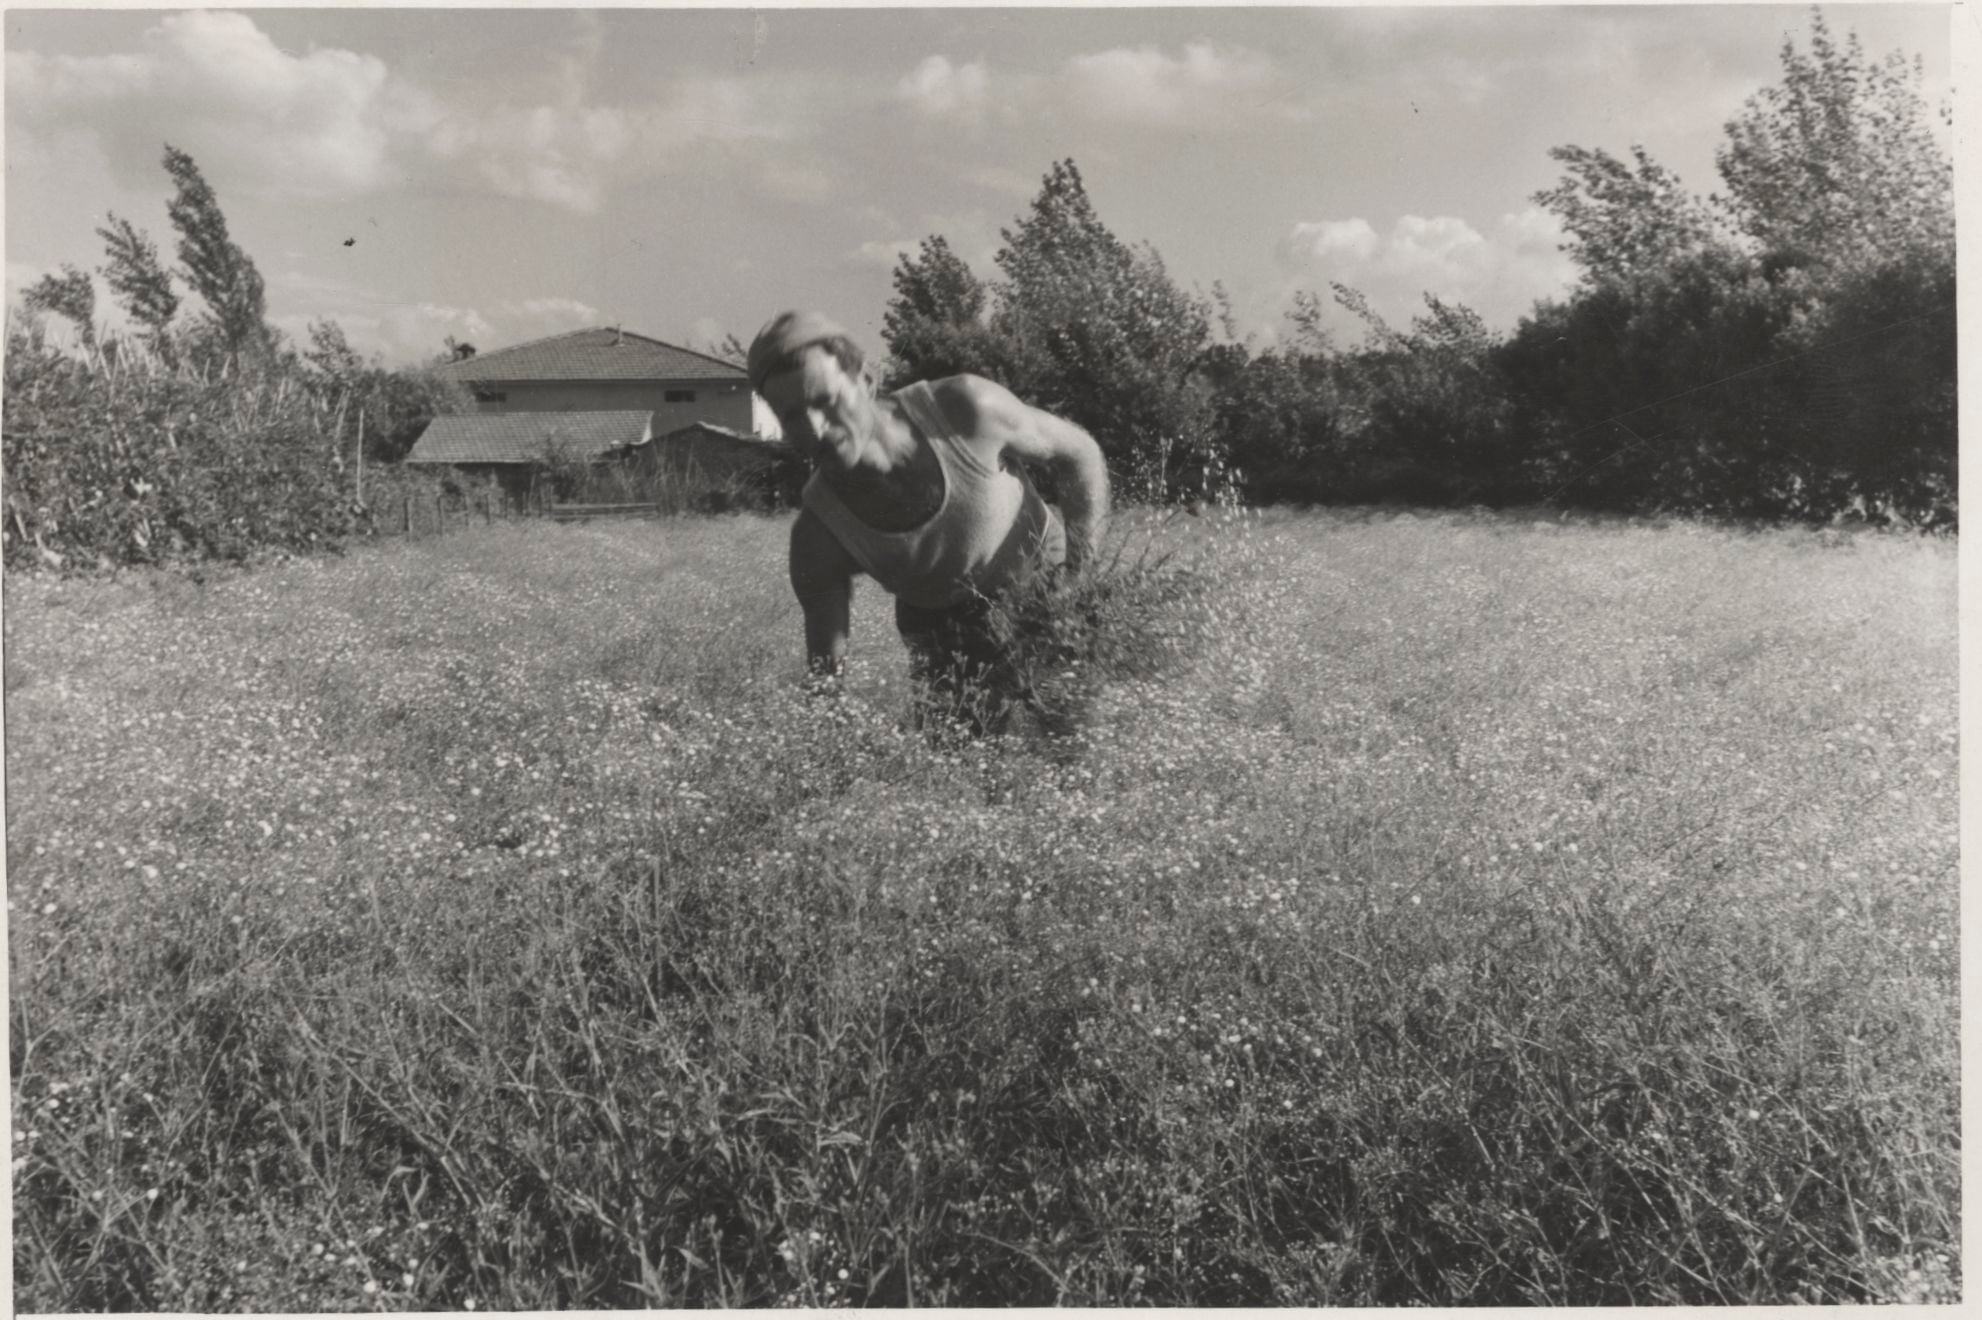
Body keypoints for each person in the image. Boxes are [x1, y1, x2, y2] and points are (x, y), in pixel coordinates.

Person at [747, 311, 1110, 729]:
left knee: (1075, 747)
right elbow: (827, 683)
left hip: (1044, 584)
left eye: (824, 401)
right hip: (943, 634)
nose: (814, 428)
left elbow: (1081, 454)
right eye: (790, 415)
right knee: (971, 781)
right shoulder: (819, 536)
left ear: (866, 382)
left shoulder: (966, 410)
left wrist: (1080, 580)